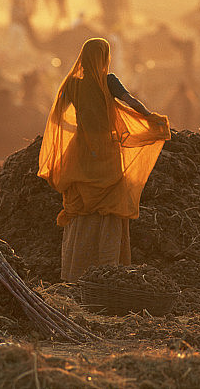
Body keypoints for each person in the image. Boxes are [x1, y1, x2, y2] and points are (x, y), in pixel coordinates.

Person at [38, 37, 170, 282]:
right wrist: (151, 118)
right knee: (110, 206)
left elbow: (58, 116)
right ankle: (108, 269)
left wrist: (78, 129)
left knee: (82, 207)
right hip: (107, 152)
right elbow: (131, 102)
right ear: (104, 57)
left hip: (80, 151)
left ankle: (76, 271)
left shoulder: (72, 83)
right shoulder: (109, 81)